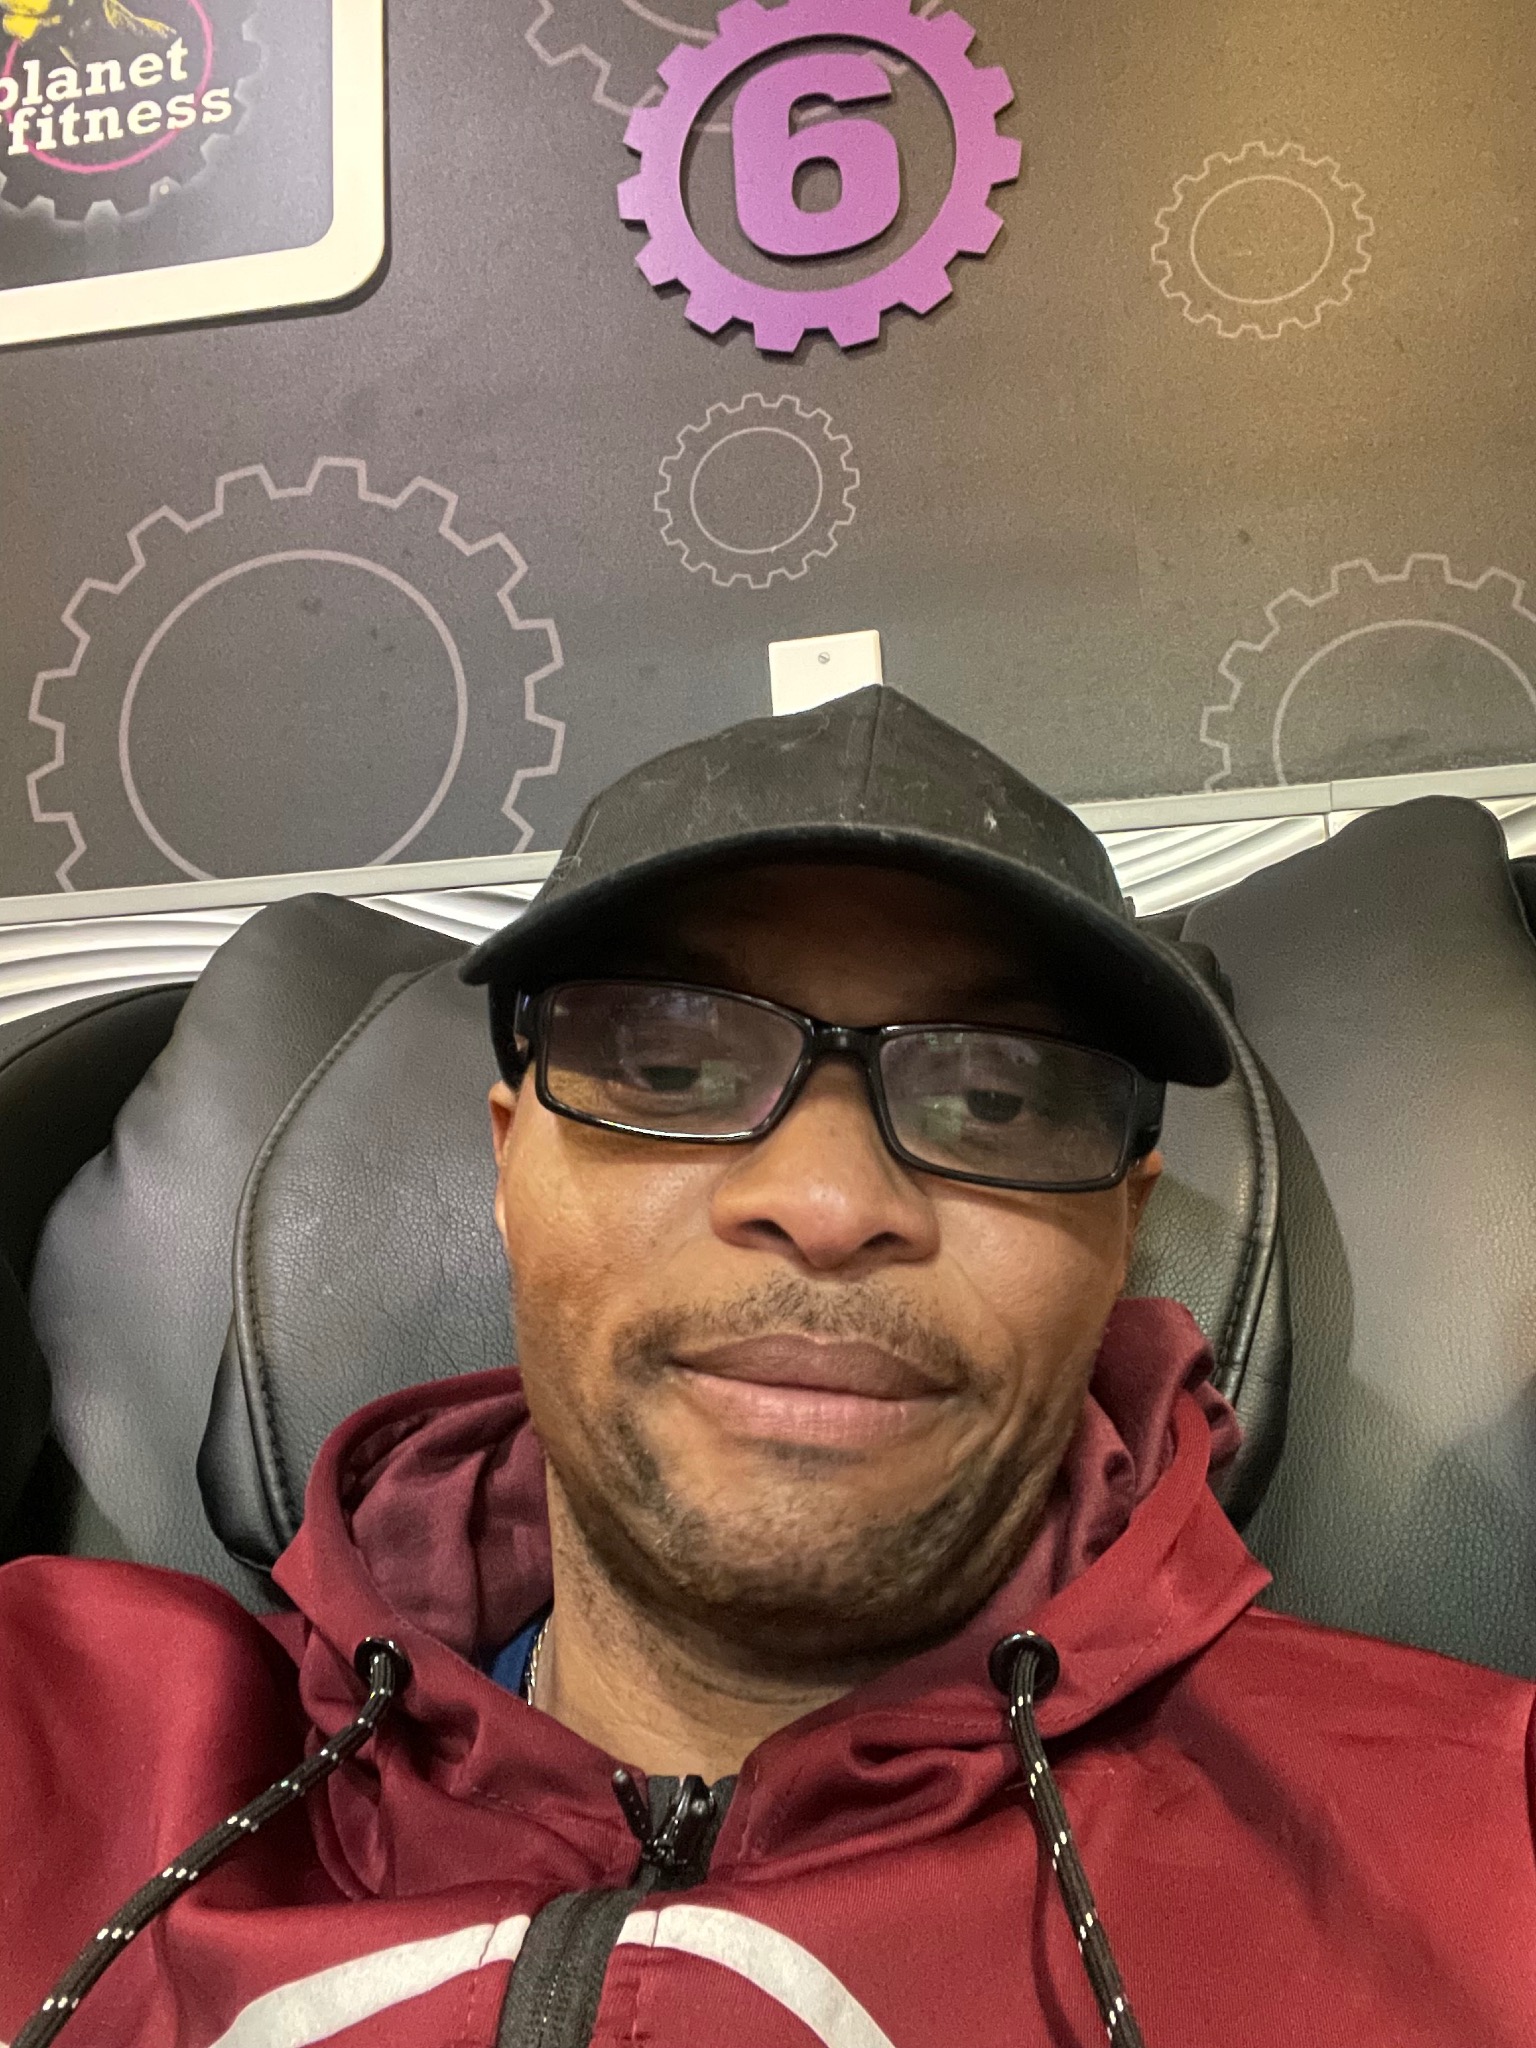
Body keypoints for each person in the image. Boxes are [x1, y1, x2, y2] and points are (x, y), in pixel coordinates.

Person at [2, 685, 1533, 2048]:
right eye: (671, 1064)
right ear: (511, 1167)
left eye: (996, 1098)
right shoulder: (68, 1734)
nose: (828, 1200)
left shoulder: (1468, 1846)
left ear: (1118, 1230)